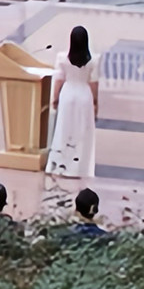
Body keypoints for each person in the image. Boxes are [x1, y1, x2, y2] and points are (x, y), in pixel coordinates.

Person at [47, 25, 99, 180]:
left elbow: (59, 80)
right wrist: (96, 104)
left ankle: (59, 165)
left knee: (64, 129)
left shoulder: (62, 58)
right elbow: (94, 83)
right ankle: (80, 166)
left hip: (67, 94)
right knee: (82, 132)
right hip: (84, 95)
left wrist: (55, 98)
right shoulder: (94, 60)